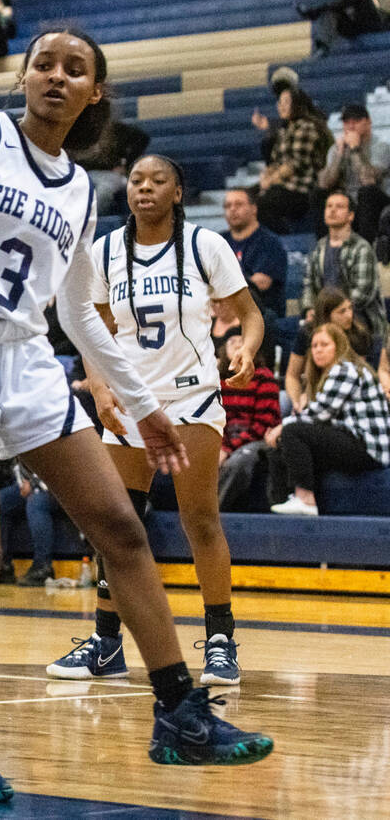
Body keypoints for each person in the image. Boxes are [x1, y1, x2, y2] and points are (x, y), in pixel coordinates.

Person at [0, 26, 273, 792]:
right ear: (23, 75)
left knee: (120, 525)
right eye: (45, 63)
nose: (56, 75)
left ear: (95, 93)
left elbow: (83, 315)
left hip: (25, 357)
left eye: (74, 69)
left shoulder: (85, 191)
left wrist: (145, 406)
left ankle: (180, 712)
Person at [45, 154, 264, 688]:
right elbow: (89, 327)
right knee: (119, 526)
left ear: (178, 192)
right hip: (128, 403)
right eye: (137, 181)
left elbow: (251, 314)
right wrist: (98, 386)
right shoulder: (105, 252)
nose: (144, 188)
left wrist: (248, 351)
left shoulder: (205, 246)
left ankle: (219, 641)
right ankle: (106, 643)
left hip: (190, 397)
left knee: (200, 520)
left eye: (157, 180)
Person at [267, 323, 390, 515]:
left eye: (324, 344)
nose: (317, 350)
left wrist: (282, 427)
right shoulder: (332, 373)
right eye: (314, 346)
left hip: (367, 446)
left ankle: (305, 499)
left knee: (293, 431)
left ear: (339, 346)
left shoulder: (345, 369)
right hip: (350, 437)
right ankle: (278, 517)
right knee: (279, 449)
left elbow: (320, 414)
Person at [301, 191, 387, 344]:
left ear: (351, 216)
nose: (332, 210)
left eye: (339, 206)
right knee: (301, 332)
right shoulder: (319, 247)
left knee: (353, 321)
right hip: (325, 314)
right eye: (329, 206)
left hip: (357, 315)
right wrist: (309, 309)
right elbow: (309, 284)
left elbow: (362, 293)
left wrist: (333, 312)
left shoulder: (362, 247)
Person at [251, 88, 330, 234]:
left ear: (298, 104)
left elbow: (295, 164)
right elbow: (276, 161)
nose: (281, 106)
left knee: (259, 205)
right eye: (279, 102)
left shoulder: (307, 127)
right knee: (244, 198)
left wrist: (270, 181)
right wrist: (266, 176)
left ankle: (287, 241)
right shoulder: (284, 130)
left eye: (286, 102)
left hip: (301, 188)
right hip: (282, 185)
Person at [217, 336, 282, 512]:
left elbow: (262, 426)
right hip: (226, 439)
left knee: (238, 462)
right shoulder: (218, 381)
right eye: (232, 342)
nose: (238, 345)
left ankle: (213, 513)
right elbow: (215, 421)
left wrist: (227, 449)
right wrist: (222, 446)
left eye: (242, 342)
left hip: (258, 439)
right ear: (224, 352)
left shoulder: (264, 378)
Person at [286, 287, 375, 411]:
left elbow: (355, 380)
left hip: (344, 395)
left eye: (350, 308)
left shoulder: (358, 335)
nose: (349, 315)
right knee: (284, 402)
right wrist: (296, 402)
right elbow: (292, 376)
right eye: (342, 311)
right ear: (326, 316)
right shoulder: (307, 333)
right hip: (308, 391)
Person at [317, 102, 390, 243]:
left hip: (379, 204)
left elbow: (368, 180)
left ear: (368, 122)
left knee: (366, 192)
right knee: (319, 194)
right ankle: (325, 247)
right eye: (346, 122)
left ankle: (366, 247)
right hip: (349, 204)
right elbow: (325, 184)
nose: (350, 127)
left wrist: (355, 149)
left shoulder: (381, 146)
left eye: (356, 122)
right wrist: (339, 155)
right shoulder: (336, 149)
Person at [222, 187, 288, 317]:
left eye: (238, 204)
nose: (232, 209)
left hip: (260, 313)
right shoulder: (218, 242)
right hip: (224, 314)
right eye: (228, 206)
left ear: (254, 209)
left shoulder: (270, 242)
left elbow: (260, 283)